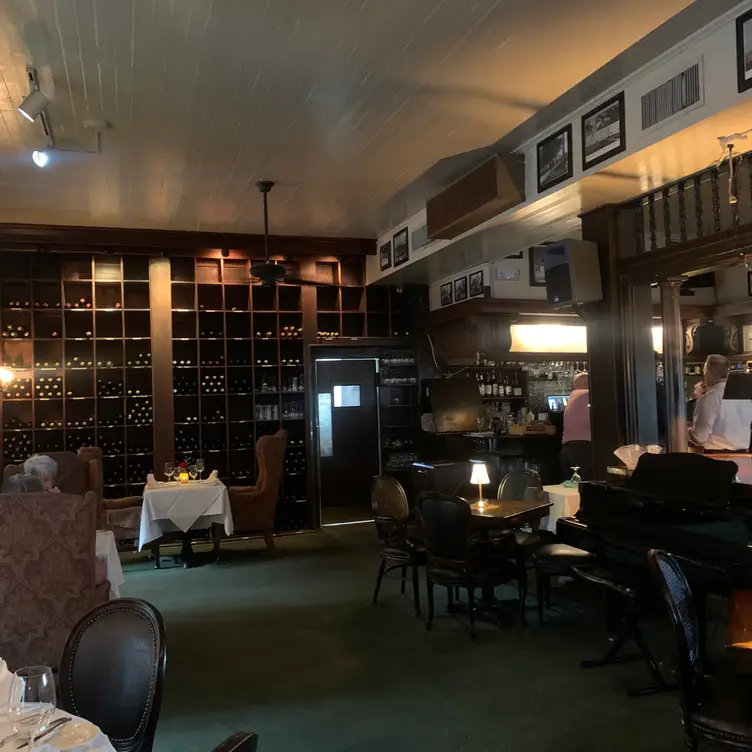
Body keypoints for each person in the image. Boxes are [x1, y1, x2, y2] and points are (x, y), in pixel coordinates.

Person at [689, 354, 752, 452]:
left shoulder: (709, 398)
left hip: (717, 455)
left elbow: (700, 437)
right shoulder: (744, 394)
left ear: (708, 372)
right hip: (744, 455)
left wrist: (685, 432)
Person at [560, 372, 593, 480]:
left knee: (572, 485)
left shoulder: (573, 396)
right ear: (586, 383)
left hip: (568, 449)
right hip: (583, 449)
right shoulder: (587, 394)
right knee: (586, 486)